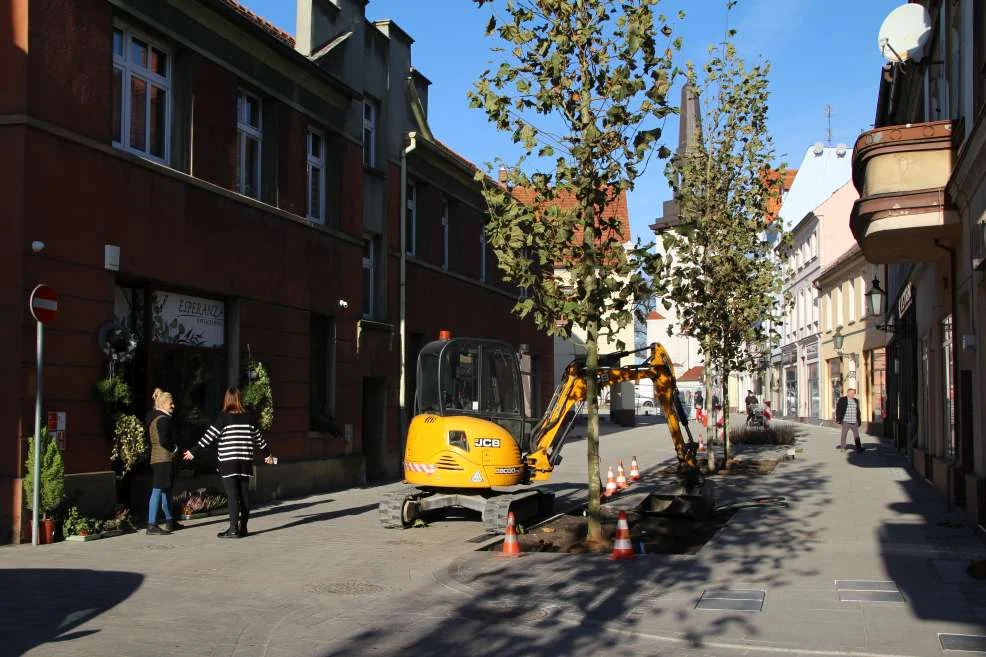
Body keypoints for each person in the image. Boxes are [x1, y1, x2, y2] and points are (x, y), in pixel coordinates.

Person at [184, 388, 274, 538]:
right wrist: (268, 455)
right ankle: (243, 528)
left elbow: (209, 436)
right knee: (244, 495)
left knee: (232, 496)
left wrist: (194, 451)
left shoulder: (224, 418)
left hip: (228, 462)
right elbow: (259, 439)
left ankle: (233, 529)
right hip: (245, 462)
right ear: (239, 399)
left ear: (227, 400)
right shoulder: (249, 417)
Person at [146, 388, 182, 535]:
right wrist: (174, 448)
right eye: (170, 403)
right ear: (163, 404)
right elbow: (164, 440)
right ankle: (151, 524)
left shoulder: (154, 416)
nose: (173, 406)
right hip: (163, 458)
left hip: (157, 457)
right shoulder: (163, 419)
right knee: (158, 490)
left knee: (166, 489)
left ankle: (170, 521)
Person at [835, 388, 863, 453]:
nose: (853, 394)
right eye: (851, 393)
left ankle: (859, 448)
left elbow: (858, 411)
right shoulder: (842, 400)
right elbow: (838, 409)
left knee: (856, 435)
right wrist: (838, 419)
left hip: (854, 421)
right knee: (844, 434)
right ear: (848, 393)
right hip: (846, 421)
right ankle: (843, 447)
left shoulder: (856, 400)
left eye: (854, 393)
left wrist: (859, 421)